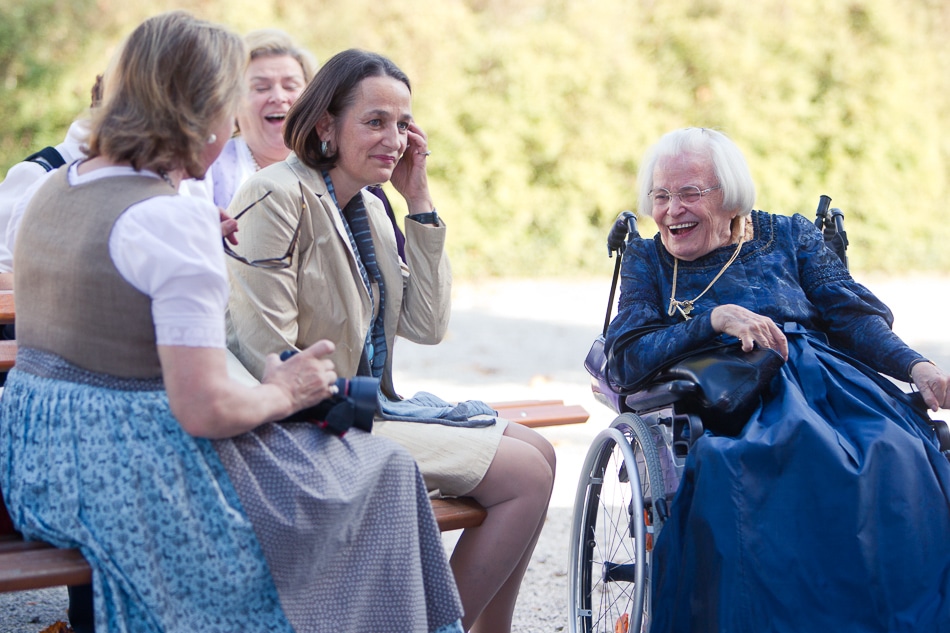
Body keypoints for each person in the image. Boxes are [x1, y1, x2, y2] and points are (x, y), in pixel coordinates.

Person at [0, 13, 462, 633]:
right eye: (229, 109)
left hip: (37, 461)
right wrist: (283, 390)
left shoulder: (55, 184)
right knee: (382, 468)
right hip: (129, 469)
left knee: (369, 463)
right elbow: (205, 411)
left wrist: (188, 236)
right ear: (201, 113)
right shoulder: (168, 221)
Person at [224, 48, 555, 633]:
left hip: (359, 406)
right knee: (524, 477)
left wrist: (419, 202)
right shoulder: (274, 195)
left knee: (542, 452)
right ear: (326, 124)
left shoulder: (371, 209)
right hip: (302, 424)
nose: (395, 138)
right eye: (375, 121)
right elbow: (262, 348)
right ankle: (441, 627)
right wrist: (353, 407)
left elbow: (426, 324)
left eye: (403, 123)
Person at [605, 127, 950, 631]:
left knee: (896, 451)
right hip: (724, 398)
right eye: (660, 196)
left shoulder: (790, 235)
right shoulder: (648, 259)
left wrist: (918, 367)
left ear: (729, 196)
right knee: (761, 463)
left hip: (830, 384)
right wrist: (713, 319)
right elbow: (627, 356)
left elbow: (853, 320)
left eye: (689, 193)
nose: (671, 210)